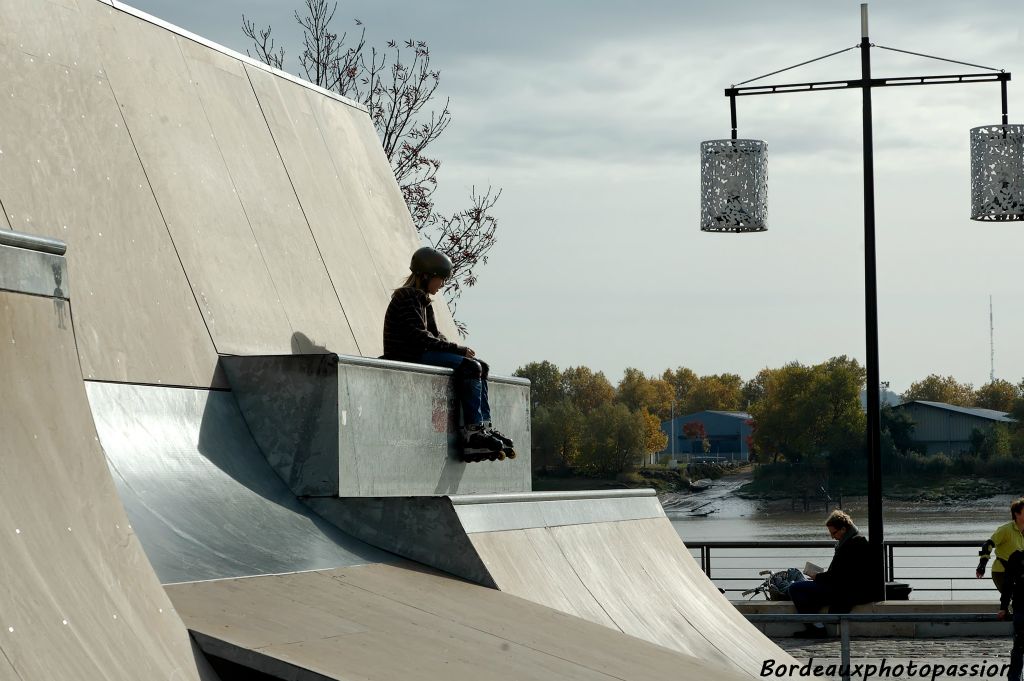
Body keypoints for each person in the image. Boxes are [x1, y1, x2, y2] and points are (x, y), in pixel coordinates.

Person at [382, 246, 513, 461]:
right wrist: (457, 350)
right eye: (440, 279)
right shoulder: (408, 298)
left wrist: (459, 350)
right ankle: (472, 432)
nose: (442, 284)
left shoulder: (422, 300)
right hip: (408, 355)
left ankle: (484, 426)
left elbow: (436, 336)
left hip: (419, 352)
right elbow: (421, 338)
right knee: (470, 367)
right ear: (426, 276)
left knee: (481, 366)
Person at [788, 510, 875, 638]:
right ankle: (816, 626)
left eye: (833, 533)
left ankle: (817, 628)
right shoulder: (852, 541)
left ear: (843, 529)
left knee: (794, 588)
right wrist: (821, 577)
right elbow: (841, 572)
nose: (832, 537)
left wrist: (818, 576)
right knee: (805, 590)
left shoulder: (852, 545)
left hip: (845, 590)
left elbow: (841, 576)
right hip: (845, 587)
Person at [977, 498, 1024, 592]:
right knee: (1017, 601)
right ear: (1017, 514)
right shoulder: (1005, 530)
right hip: (1001, 572)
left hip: (1018, 573)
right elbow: (988, 544)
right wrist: (982, 564)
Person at [997, 548, 1024, 681]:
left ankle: (1014, 678)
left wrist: (1003, 607)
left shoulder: (1016, 557)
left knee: (1018, 647)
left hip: (1021, 608)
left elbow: (1007, 584)